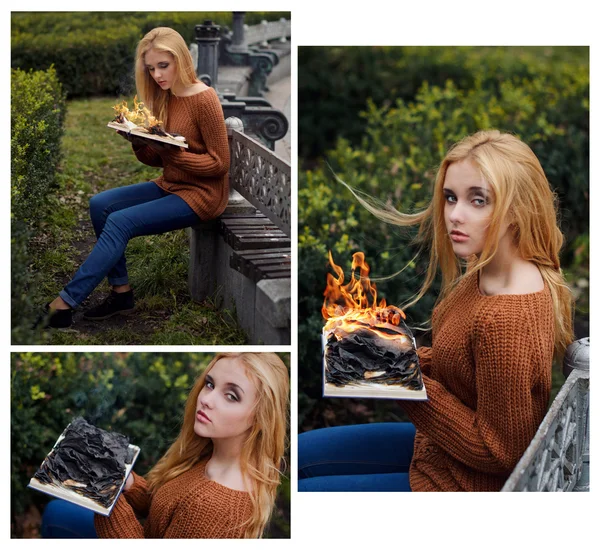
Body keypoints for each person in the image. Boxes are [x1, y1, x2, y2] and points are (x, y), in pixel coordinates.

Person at [298, 130, 574, 492]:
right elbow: (461, 367)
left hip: (462, 486)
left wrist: (400, 381)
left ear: (518, 209)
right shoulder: (485, 269)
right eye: (450, 197)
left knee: (306, 492)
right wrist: (392, 350)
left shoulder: (508, 319)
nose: (455, 215)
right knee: (300, 455)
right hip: (437, 452)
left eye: (478, 200)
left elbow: (503, 452)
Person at [42, 27, 230, 328]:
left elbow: (219, 164)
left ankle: (65, 302)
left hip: (203, 195)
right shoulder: (166, 97)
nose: (157, 75)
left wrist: (175, 155)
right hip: (171, 184)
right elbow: (158, 160)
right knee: (99, 204)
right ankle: (121, 292)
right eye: (151, 68)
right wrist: (139, 141)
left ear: (181, 59)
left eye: (163, 66)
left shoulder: (204, 99)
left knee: (121, 221)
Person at [41, 352, 290, 538]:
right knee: (56, 512)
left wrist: (105, 492)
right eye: (210, 384)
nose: (206, 399)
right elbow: (169, 509)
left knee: (57, 516)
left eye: (231, 396)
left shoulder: (214, 509)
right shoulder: (213, 453)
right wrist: (127, 482)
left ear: (260, 418)